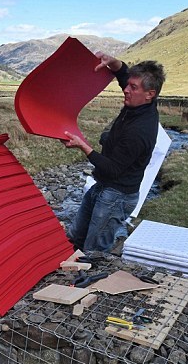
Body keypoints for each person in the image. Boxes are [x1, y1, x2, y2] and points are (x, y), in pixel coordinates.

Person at [63, 54, 166, 253]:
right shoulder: (140, 103)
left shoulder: (140, 131)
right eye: (128, 85)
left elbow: (113, 169)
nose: (126, 90)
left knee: (94, 250)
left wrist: (83, 146)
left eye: (133, 88)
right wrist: (114, 63)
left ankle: (89, 282)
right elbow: (124, 76)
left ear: (150, 94)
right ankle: (68, 274)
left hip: (117, 196)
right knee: (75, 237)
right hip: (104, 186)